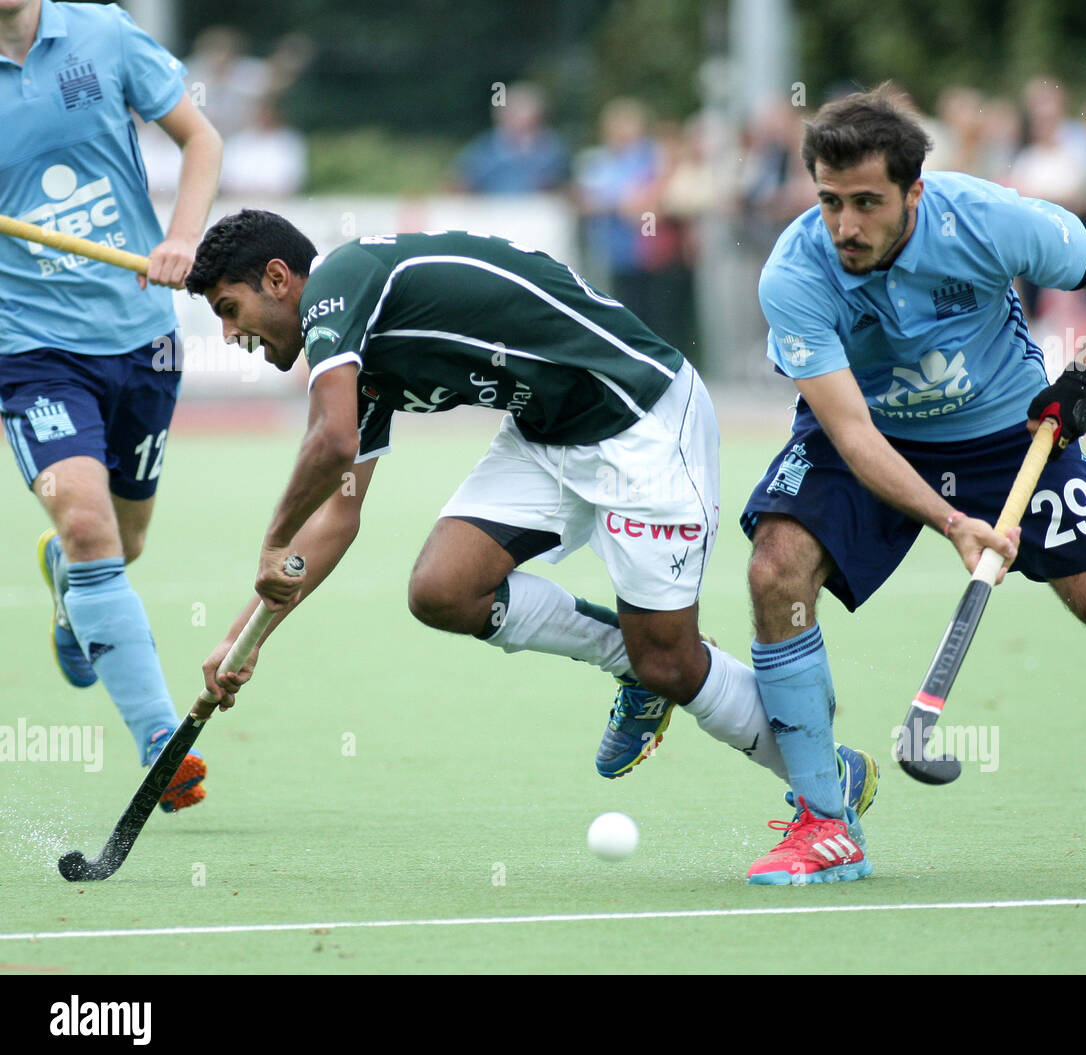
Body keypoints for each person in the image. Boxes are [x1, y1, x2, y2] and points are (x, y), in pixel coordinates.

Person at [183, 210, 879, 875]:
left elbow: (330, 440)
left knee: (671, 661)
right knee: (443, 590)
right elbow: (337, 515)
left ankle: (824, 777)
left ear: (278, 278)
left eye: (228, 308)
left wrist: (272, 540)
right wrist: (244, 638)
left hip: (639, 419)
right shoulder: (360, 357)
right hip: (545, 434)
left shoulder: (341, 283)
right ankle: (630, 660)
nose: (230, 332)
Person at [740, 86, 1086, 886]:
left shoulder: (986, 219)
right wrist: (953, 521)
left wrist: (1083, 379)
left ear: (914, 191)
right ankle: (825, 818)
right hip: (872, 440)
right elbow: (850, 434)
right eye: (828, 201)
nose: (844, 225)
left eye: (866, 203)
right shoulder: (796, 272)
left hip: (1003, 433)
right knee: (774, 569)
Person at [0, 0, 222, 809]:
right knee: (89, 524)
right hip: (29, 350)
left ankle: (70, 582)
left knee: (121, 543)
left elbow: (202, 139)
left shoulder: (105, 32)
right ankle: (162, 740)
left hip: (141, 340)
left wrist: (183, 238)